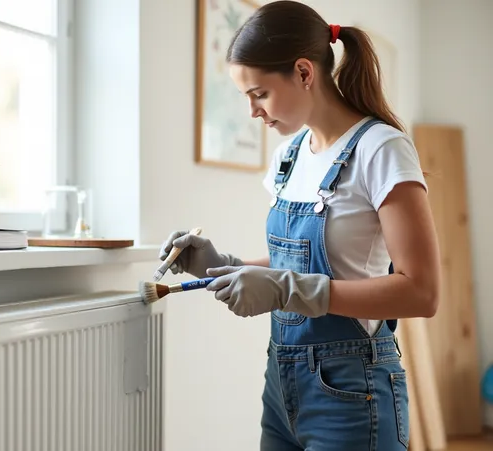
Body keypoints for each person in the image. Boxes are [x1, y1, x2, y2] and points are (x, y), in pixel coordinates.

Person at [159, 1, 441, 449]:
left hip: (352, 390)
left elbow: (421, 292)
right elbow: (297, 259)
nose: (253, 111)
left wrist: (285, 290)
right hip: (282, 383)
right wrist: (221, 265)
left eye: (260, 93)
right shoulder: (288, 158)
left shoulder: (382, 149)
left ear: (305, 73)